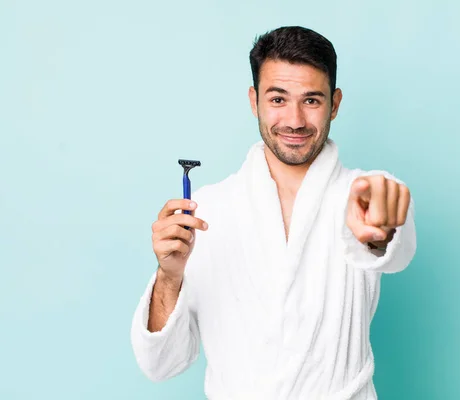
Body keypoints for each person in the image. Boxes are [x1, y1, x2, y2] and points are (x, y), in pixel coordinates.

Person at [130, 25, 417, 399]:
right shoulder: (208, 209)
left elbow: (396, 244)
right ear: (254, 101)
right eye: (278, 99)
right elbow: (161, 364)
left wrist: (382, 230)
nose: (295, 120)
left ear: (335, 103)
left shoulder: (361, 194)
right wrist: (170, 276)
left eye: (311, 100)